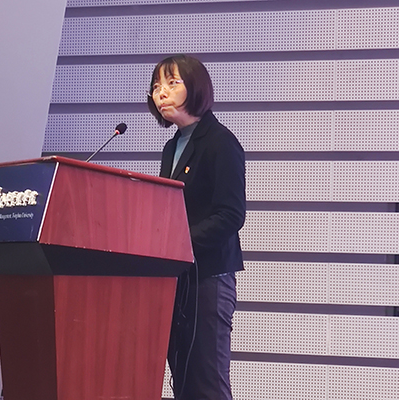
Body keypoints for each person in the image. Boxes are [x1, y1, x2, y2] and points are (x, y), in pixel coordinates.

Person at [147, 54, 246, 400]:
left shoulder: (221, 142)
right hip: (177, 281)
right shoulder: (171, 147)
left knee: (207, 384)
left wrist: (178, 244)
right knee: (184, 382)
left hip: (209, 280)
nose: (161, 93)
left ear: (196, 87)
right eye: (156, 86)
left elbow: (231, 215)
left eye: (172, 83)